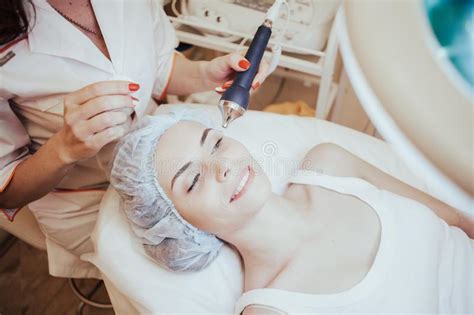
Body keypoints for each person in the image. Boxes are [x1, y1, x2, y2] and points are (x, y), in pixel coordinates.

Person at [0, 0, 268, 278]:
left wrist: (204, 74)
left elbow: (160, 64)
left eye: (215, 143)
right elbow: (7, 191)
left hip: (162, 156)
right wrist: (65, 149)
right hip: (86, 198)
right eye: (194, 180)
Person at [110, 109, 474, 314]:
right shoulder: (271, 310)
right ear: (179, 226)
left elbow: (459, 220)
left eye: (216, 143)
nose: (222, 166)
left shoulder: (330, 163)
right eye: (192, 181)